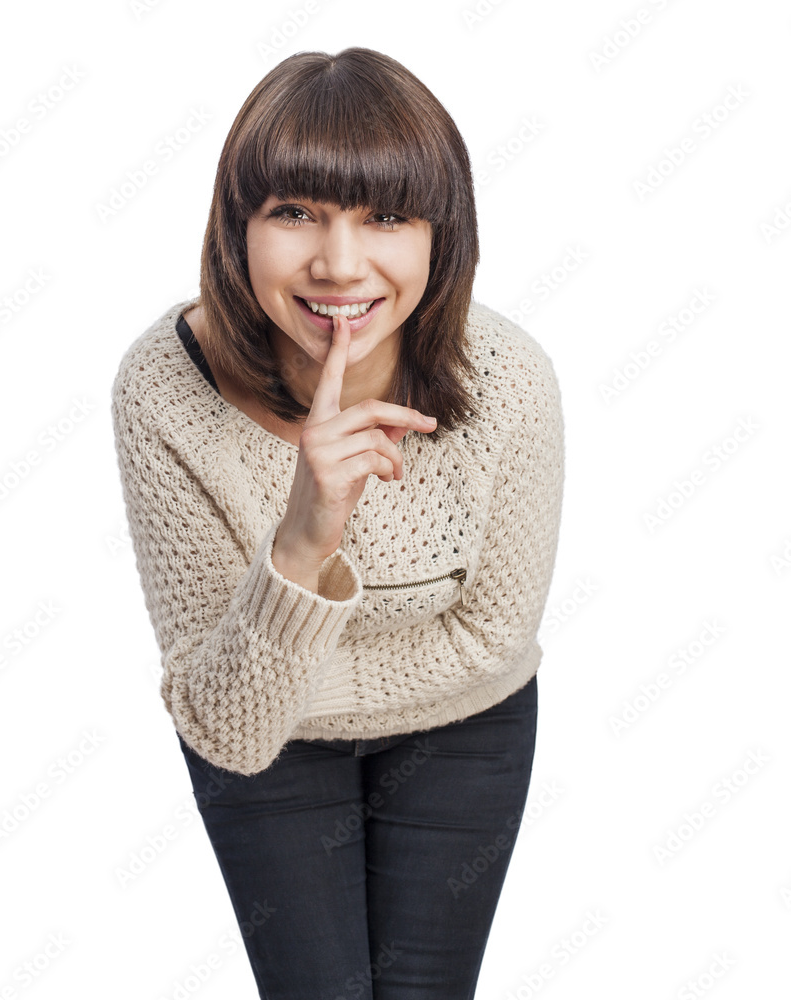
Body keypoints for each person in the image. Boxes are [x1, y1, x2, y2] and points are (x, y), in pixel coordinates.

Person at [111, 46, 565, 1000]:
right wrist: (304, 539)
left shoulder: (509, 378)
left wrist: (283, 656)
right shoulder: (163, 388)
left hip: (465, 731)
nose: (340, 263)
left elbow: (492, 638)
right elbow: (231, 732)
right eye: (295, 212)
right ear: (238, 228)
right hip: (270, 752)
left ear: (445, 233)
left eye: (386, 215)